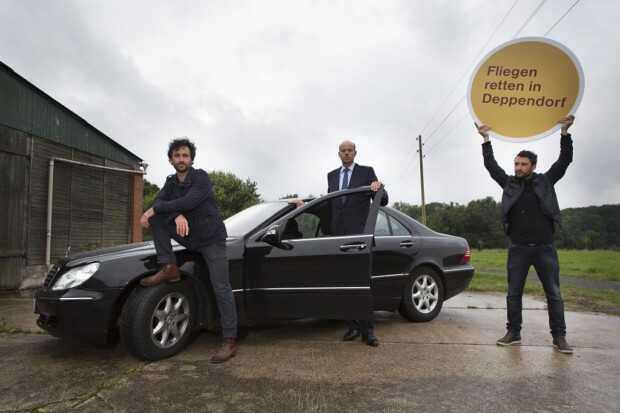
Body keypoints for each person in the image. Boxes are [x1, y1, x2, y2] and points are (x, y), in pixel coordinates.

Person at [476, 115, 575, 354]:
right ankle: (514, 333)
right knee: (513, 294)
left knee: (554, 294)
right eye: (516, 164)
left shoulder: (546, 181)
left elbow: (564, 161)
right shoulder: (509, 183)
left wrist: (565, 134)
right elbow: (492, 167)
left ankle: (559, 337)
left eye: (523, 164)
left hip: (545, 248)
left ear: (533, 166)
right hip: (518, 248)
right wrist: (486, 139)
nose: (518, 168)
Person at [139, 138, 238, 363]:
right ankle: (169, 266)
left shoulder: (201, 177)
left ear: (191, 159)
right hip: (189, 236)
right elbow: (161, 200)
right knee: (157, 218)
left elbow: (191, 201)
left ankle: (230, 340)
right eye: (177, 156)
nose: (181, 159)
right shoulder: (170, 181)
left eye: (185, 155)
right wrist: (174, 214)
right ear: (171, 159)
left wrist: (159, 208)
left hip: (211, 239)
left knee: (221, 287)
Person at [329, 140, 388, 347]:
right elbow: (331, 205)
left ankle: (368, 331)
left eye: (349, 150)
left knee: (363, 285)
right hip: (339, 237)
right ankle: (352, 326)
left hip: (360, 237)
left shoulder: (366, 172)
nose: (346, 153)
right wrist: (304, 205)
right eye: (343, 151)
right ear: (339, 154)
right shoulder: (332, 176)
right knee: (344, 284)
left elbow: (383, 199)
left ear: (355, 153)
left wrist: (378, 188)